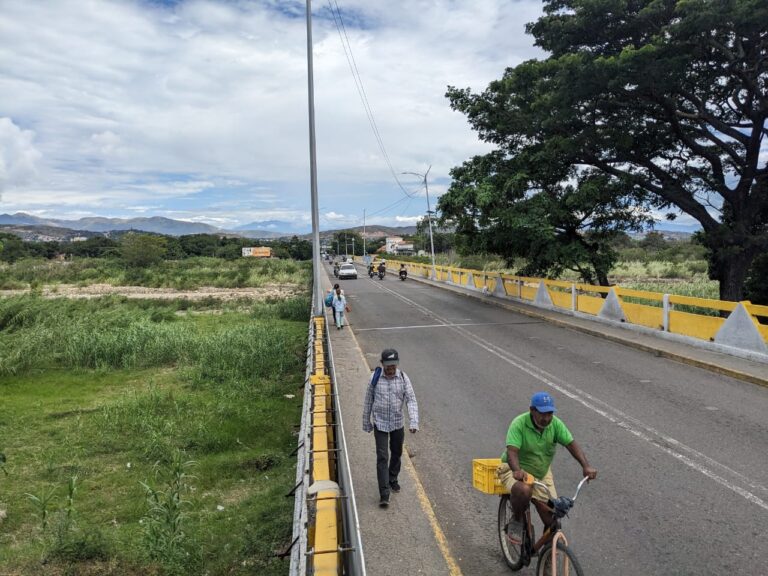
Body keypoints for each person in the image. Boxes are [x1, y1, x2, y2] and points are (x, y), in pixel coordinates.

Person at [497, 392, 597, 544]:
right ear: (532, 410)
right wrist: (517, 470)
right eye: (542, 414)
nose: (546, 418)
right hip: (514, 470)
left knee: (553, 522)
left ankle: (548, 557)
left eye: (549, 413)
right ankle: (516, 520)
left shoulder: (555, 424)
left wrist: (586, 466)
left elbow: (571, 444)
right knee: (524, 490)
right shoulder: (519, 423)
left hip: (541, 473)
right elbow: (512, 452)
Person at [362, 349, 419, 508]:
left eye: (393, 366)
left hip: (397, 423)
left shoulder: (402, 378)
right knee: (382, 457)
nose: (391, 369)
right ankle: (384, 493)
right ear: (382, 364)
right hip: (380, 423)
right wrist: (366, 422)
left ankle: (393, 478)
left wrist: (414, 422)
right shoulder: (374, 378)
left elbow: (411, 400)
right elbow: (368, 401)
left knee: (397, 453)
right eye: (388, 366)